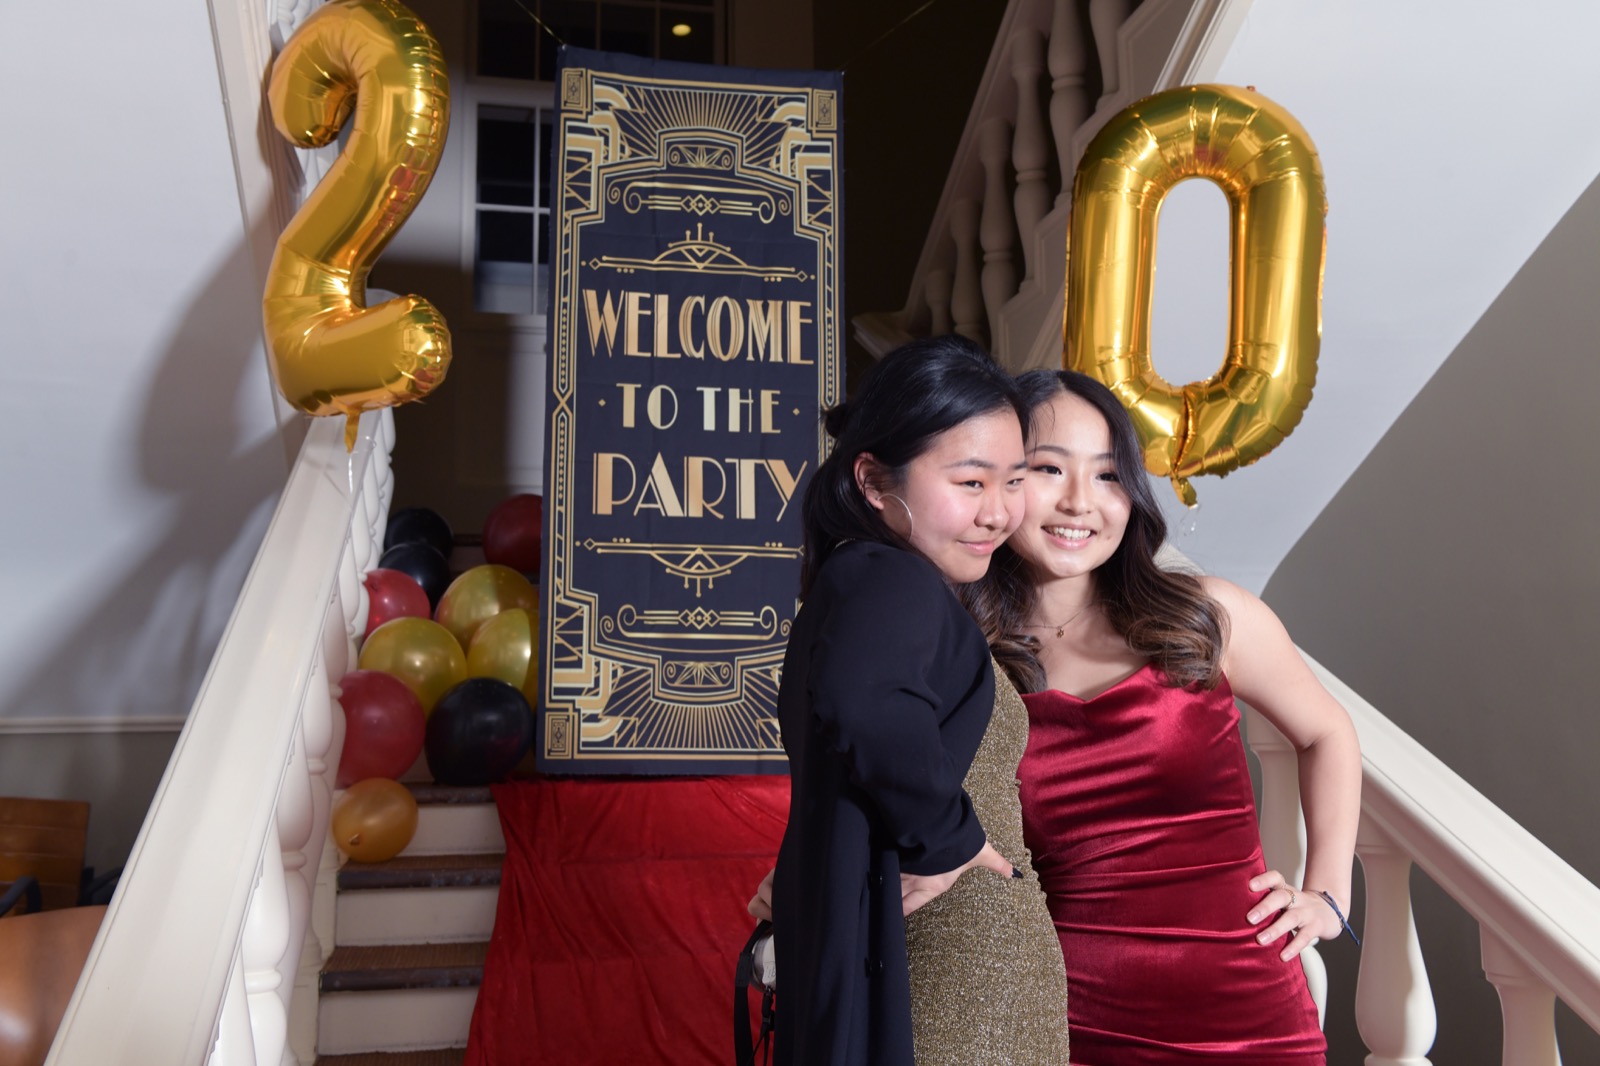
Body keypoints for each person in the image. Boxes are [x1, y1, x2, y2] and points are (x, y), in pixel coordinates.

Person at [965, 369, 1361, 1065]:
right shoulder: (965, 663)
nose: (1081, 502)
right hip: (1073, 1018)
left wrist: (1328, 894)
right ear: (998, 483)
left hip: (1252, 1010)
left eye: (1110, 475)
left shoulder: (1207, 614)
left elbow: (1327, 732)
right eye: (1048, 470)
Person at [756, 336, 1071, 1066]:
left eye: (1015, 479)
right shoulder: (885, 578)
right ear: (872, 481)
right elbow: (864, 704)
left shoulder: (870, 581)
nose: (1000, 512)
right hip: (956, 963)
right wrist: (952, 837)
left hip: (957, 961)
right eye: (970, 483)